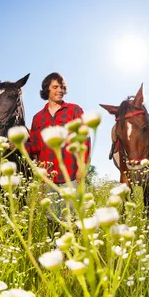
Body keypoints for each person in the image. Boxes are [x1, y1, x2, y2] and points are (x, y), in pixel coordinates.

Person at [27, 72, 90, 220]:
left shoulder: (75, 110)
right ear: (46, 90)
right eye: (55, 87)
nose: (59, 90)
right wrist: (18, 145)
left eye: (61, 87)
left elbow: (84, 139)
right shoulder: (38, 117)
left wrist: (82, 167)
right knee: (51, 219)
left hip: (71, 174)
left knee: (71, 218)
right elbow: (35, 146)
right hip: (48, 177)